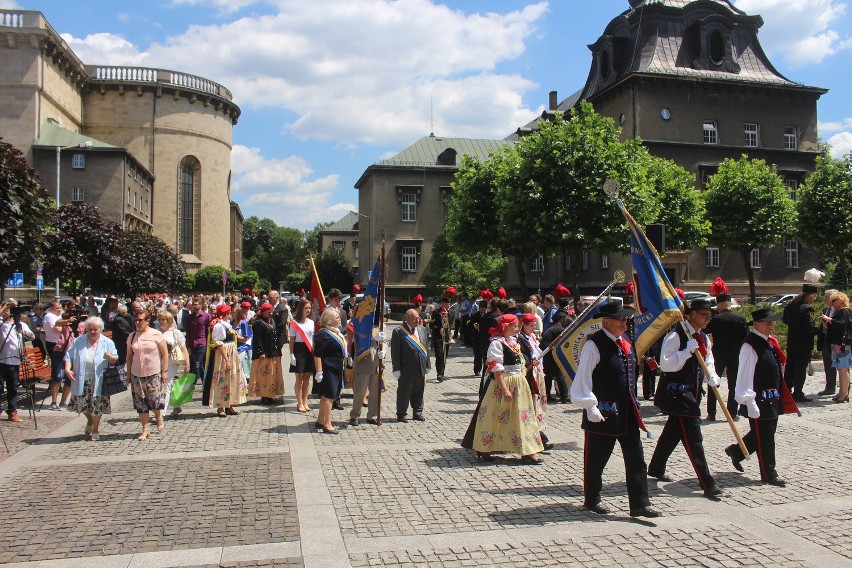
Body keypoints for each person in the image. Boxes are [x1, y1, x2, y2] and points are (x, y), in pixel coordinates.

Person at [570, 302, 659, 518]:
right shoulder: (594, 345)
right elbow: (583, 378)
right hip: (602, 413)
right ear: (606, 321)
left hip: (627, 412)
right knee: (596, 460)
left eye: (625, 319)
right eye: (620, 319)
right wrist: (589, 405)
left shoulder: (625, 342)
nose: (624, 323)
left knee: (636, 458)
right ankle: (592, 498)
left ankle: (640, 503)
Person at [649, 299, 724, 500]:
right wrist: (685, 352)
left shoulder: (703, 338)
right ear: (692, 314)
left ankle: (656, 467)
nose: (707, 319)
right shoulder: (676, 334)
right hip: (678, 394)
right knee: (694, 439)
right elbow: (665, 364)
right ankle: (707, 483)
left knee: (672, 432)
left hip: (693, 392)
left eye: (710, 315)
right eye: (704, 315)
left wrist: (712, 375)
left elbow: (708, 359)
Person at [725, 308, 797, 486]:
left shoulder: (767, 342)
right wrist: (749, 401)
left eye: (771, 322)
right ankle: (769, 473)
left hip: (771, 396)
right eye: (766, 322)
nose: (770, 325)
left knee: (766, 432)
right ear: (756, 324)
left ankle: (737, 451)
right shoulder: (750, 345)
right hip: (758, 399)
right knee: (765, 437)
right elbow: (745, 375)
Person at [461, 313, 544, 464]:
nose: (517, 328)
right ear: (506, 326)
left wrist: (531, 362)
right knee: (494, 416)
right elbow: (496, 369)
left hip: (519, 384)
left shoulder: (514, 341)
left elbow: (520, 364)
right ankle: (484, 448)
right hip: (503, 384)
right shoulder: (496, 343)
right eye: (514, 325)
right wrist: (505, 389)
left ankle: (528, 450)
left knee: (523, 417)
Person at [63, 317, 118, 440]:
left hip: (99, 380)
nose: (92, 332)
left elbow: (115, 358)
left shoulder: (107, 342)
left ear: (100, 329)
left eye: (95, 329)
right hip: (82, 378)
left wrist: (110, 358)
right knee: (81, 405)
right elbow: (68, 356)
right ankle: (90, 420)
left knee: (97, 406)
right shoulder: (79, 341)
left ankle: (95, 429)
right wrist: (67, 368)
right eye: (90, 329)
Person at [126, 310, 168, 441]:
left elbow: (165, 353)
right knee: (141, 403)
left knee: (154, 400)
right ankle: (145, 429)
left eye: (141, 320)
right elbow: (129, 356)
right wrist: (128, 374)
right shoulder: (132, 336)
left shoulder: (156, 334)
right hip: (136, 373)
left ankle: (158, 417)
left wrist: (164, 371)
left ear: (147, 321)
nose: (138, 323)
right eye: (136, 320)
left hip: (153, 372)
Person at [704, 292, 748, 420]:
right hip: (735, 355)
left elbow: (705, 330)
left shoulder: (717, 319)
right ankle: (732, 413)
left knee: (713, 384)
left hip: (718, 355)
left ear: (721, 304)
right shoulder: (740, 319)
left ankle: (711, 413)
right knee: (733, 385)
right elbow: (746, 338)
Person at [518, 312, 552, 450]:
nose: (534, 327)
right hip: (529, 375)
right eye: (531, 325)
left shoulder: (531, 337)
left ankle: (539, 436)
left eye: (534, 325)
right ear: (523, 325)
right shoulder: (521, 340)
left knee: (538, 406)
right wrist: (532, 362)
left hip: (537, 374)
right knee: (532, 407)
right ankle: (538, 439)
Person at [782, 283, 821, 402]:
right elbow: (809, 327)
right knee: (800, 369)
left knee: (790, 367)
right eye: (815, 295)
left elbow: (785, 320)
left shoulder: (791, 305)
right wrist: (821, 330)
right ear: (809, 295)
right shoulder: (806, 308)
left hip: (792, 341)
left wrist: (795, 327)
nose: (815, 298)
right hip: (803, 343)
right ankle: (798, 393)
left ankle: (786, 391)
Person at [390, 309, 430, 422]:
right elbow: (395, 352)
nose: (417, 320)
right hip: (406, 367)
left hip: (420, 366)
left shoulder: (422, 329)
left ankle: (417, 411)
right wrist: (396, 368)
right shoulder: (398, 331)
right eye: (414, 318)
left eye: (418, 318)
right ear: (407, 318)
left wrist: (427, 364)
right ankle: (401, 413)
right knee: (404, 391)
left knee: (419, 390)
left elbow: (426, 347)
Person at [208, 303, 247, 417]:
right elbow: (219, 344)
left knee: (232, 378)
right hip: (224, 353)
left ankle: (229, 404)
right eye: (230, 312)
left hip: (231, 352)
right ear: (226, 313)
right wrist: (226, 360)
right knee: (222, 378)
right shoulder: (219, 325)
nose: (231, 314)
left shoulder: (227, 324)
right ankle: (220, 406)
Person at [313, 308, 347, 433]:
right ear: (329, 320)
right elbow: (317, 354)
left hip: (336, 367)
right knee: (329, 396)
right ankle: (327, 424)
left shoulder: (335, 332)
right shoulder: (323, 334)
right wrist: (319, 371)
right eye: (337, 318)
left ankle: (320, 420)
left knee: (329, 396)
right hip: (328, 369)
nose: (339, 320)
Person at [0, 302, 35, 422]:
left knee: (13, 388)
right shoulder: (1, 323)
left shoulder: (20, 324)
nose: (8, 312)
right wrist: (7, 306)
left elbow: (32, 337)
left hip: (15, 361)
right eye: (6, 309)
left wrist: (22, 331)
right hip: (1, 360)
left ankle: (12, 411)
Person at [819, 291, 852, 403]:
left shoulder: (844, 311)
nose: (832, 303)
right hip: (838, 343)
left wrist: (829, 319)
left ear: (840, 300)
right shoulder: (840, 311)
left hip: (842, 344)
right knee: (840, 368)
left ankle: (844, 394)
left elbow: (842, 325)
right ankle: (842, 392)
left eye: (834, 300)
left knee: (843, 369)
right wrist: (826, 322)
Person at [249, 303, 285, 404]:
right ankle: (264, 395)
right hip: (264, 353)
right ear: (263, 312)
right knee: (264, 375)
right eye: (269, 312)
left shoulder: (272, 320)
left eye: (271, 312)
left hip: (272, 352)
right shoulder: (258, 323)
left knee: (272, 375)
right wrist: (261, 352)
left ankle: (270, 394)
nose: (271, 314)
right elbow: (257, 339)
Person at [349, 324, 385, 426]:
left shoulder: (381, 325)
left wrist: (384, 352)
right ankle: (355, 415)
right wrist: (373, 338)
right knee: (360, 390)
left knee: (374, 392)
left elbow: (385, 341)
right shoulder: (361, 323)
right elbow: (358, 341)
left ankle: (372, 415)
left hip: (377, 363)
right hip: (364, 362)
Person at [158, 311, 190, 417]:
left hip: (171, 362)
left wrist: (187, 363)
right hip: (158, 362)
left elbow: (184, 349)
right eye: (159, 319)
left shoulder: (176, 333)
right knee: (165, 385)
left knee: (165, 385)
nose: (161, 322)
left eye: (163, 320)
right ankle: (176, 405)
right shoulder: (156, 332)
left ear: (169, 321)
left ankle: (161, 413)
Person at [289, 299, 315, 413]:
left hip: (309, 350)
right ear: (301, 309)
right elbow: (292, 340)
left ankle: (305, 401)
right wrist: (291, 354)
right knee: (299, 377)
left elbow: (313, 338)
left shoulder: (311, 322)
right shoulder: (295, 323)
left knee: (307, 378)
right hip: (299, 349)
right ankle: (299, 402)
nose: (308, 310)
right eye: (306, 308)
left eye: (310, 308)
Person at [540, 310, 571, 404]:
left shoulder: (555, 328)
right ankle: (564, 396)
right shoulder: (560, 330)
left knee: (549, 375)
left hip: (546, 352)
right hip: (550, 353)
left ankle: (547, 396)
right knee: (559, 375)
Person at [817, 289, 840, 397]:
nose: (825, 299)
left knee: (841, 365)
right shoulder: (826, 309)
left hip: (836, 340)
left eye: (828, 297)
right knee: (828, 363)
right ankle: (830, 387)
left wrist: (829, 321)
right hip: (826, 339)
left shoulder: (840, 310)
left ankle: (844, 389)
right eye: (825, 297)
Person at [184, 296, 211, 387]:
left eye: (196, 305)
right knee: (199, 365)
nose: (194, 306)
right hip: (192, 344)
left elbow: (209, 331)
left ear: (200, 305)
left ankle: (192, 384)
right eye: (193, 305)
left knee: (197, 364)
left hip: (202, 343)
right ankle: (205, 384)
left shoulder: (206, 316)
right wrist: (188, 346)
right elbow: (188, 332)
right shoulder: (189, 317)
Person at [428, 297, 451, 382]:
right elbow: (431, 324)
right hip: (438, 337)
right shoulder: (436, 312)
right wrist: (439, 329)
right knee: (439, 355)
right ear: (443, 304)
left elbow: (450, 324)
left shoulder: (449, 313)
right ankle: (439, 374)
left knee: (445, 355)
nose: (449, 305)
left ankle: (442, 372)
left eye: (449, 304)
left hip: (446, 337)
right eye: (447, 304)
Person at [233, 307, 253, 387]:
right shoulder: (231, 323)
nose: (232, 314)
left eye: (234, 312)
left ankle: (244, 385)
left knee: (239, 367)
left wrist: (236, 337)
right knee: (237, 368)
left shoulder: (243, 323)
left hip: (242, 348)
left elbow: (246, 338)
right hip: (234, 348)